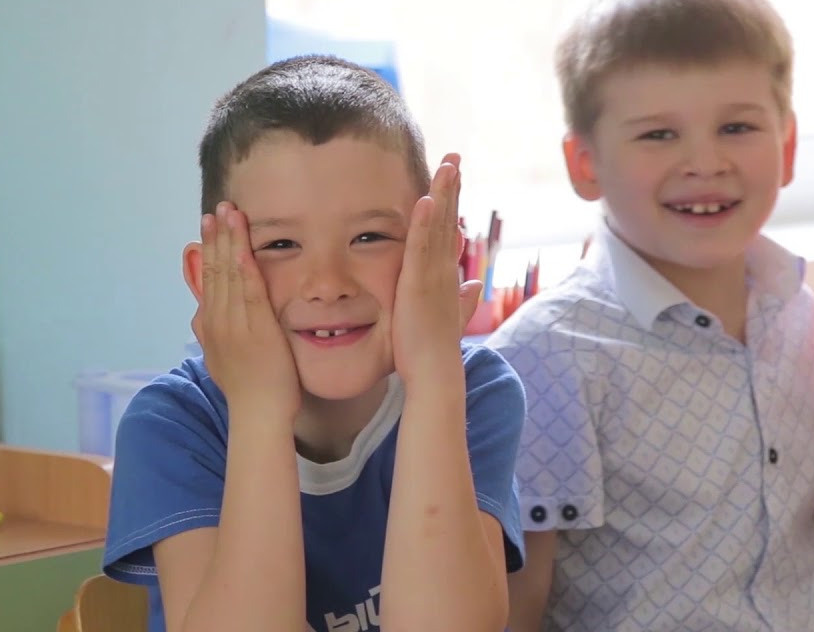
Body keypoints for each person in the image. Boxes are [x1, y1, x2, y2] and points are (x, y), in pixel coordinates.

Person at [102, 55, 526, 632]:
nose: (328, 283)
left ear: (436, 253)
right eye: (280, 244)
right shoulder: (175, 423)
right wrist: (258, 409)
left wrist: (432, 379)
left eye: (369, 236)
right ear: (211, 277)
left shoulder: (473, 389)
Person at [487, 0, 814, 631]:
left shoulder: (798, 314)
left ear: (787, 145)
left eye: (736, 128)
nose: (704, 162)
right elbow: (519, 606)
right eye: (658, 134)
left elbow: (808, 532)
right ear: (585, 164)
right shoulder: (547, 358)